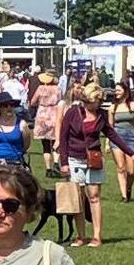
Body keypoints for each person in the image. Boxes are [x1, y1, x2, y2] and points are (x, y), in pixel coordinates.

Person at [53, 82, 109, 249]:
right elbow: (63, 138)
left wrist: (130, 152)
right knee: (77, 199)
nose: (98, 104)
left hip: (94, 158)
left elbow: (110, 133)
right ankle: (81, 236)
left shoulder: (101, 115)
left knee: (94, 196)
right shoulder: (72, 113)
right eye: (96, 101)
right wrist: (63, 163)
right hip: (74, 159)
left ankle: (97, 236)